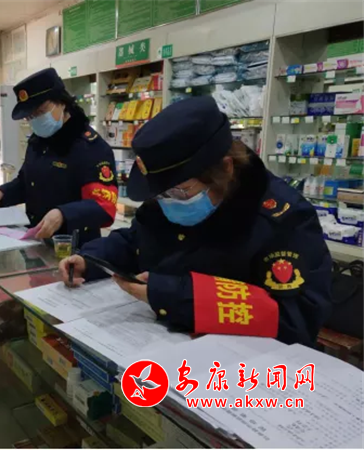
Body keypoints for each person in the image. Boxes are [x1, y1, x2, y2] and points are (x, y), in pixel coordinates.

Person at [59, 97, 332, 346]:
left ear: (225, 169)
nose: (168, 201)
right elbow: (137, 239)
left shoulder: (283, 219)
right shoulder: (169, 196)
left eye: (180, 192)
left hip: (237, 366)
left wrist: (171, 296)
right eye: (160, 194)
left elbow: (296, 319)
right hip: (159, 344)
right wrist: (91, 259)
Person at [0, 68, 118, 244]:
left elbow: (104, 207)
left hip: (75, 247)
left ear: (62, 102)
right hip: (37, 240)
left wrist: (63, 214)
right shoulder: (38, 141)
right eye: (30, 116)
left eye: (40, 112)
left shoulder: (90, 147)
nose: (35, 120)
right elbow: (27, 183)